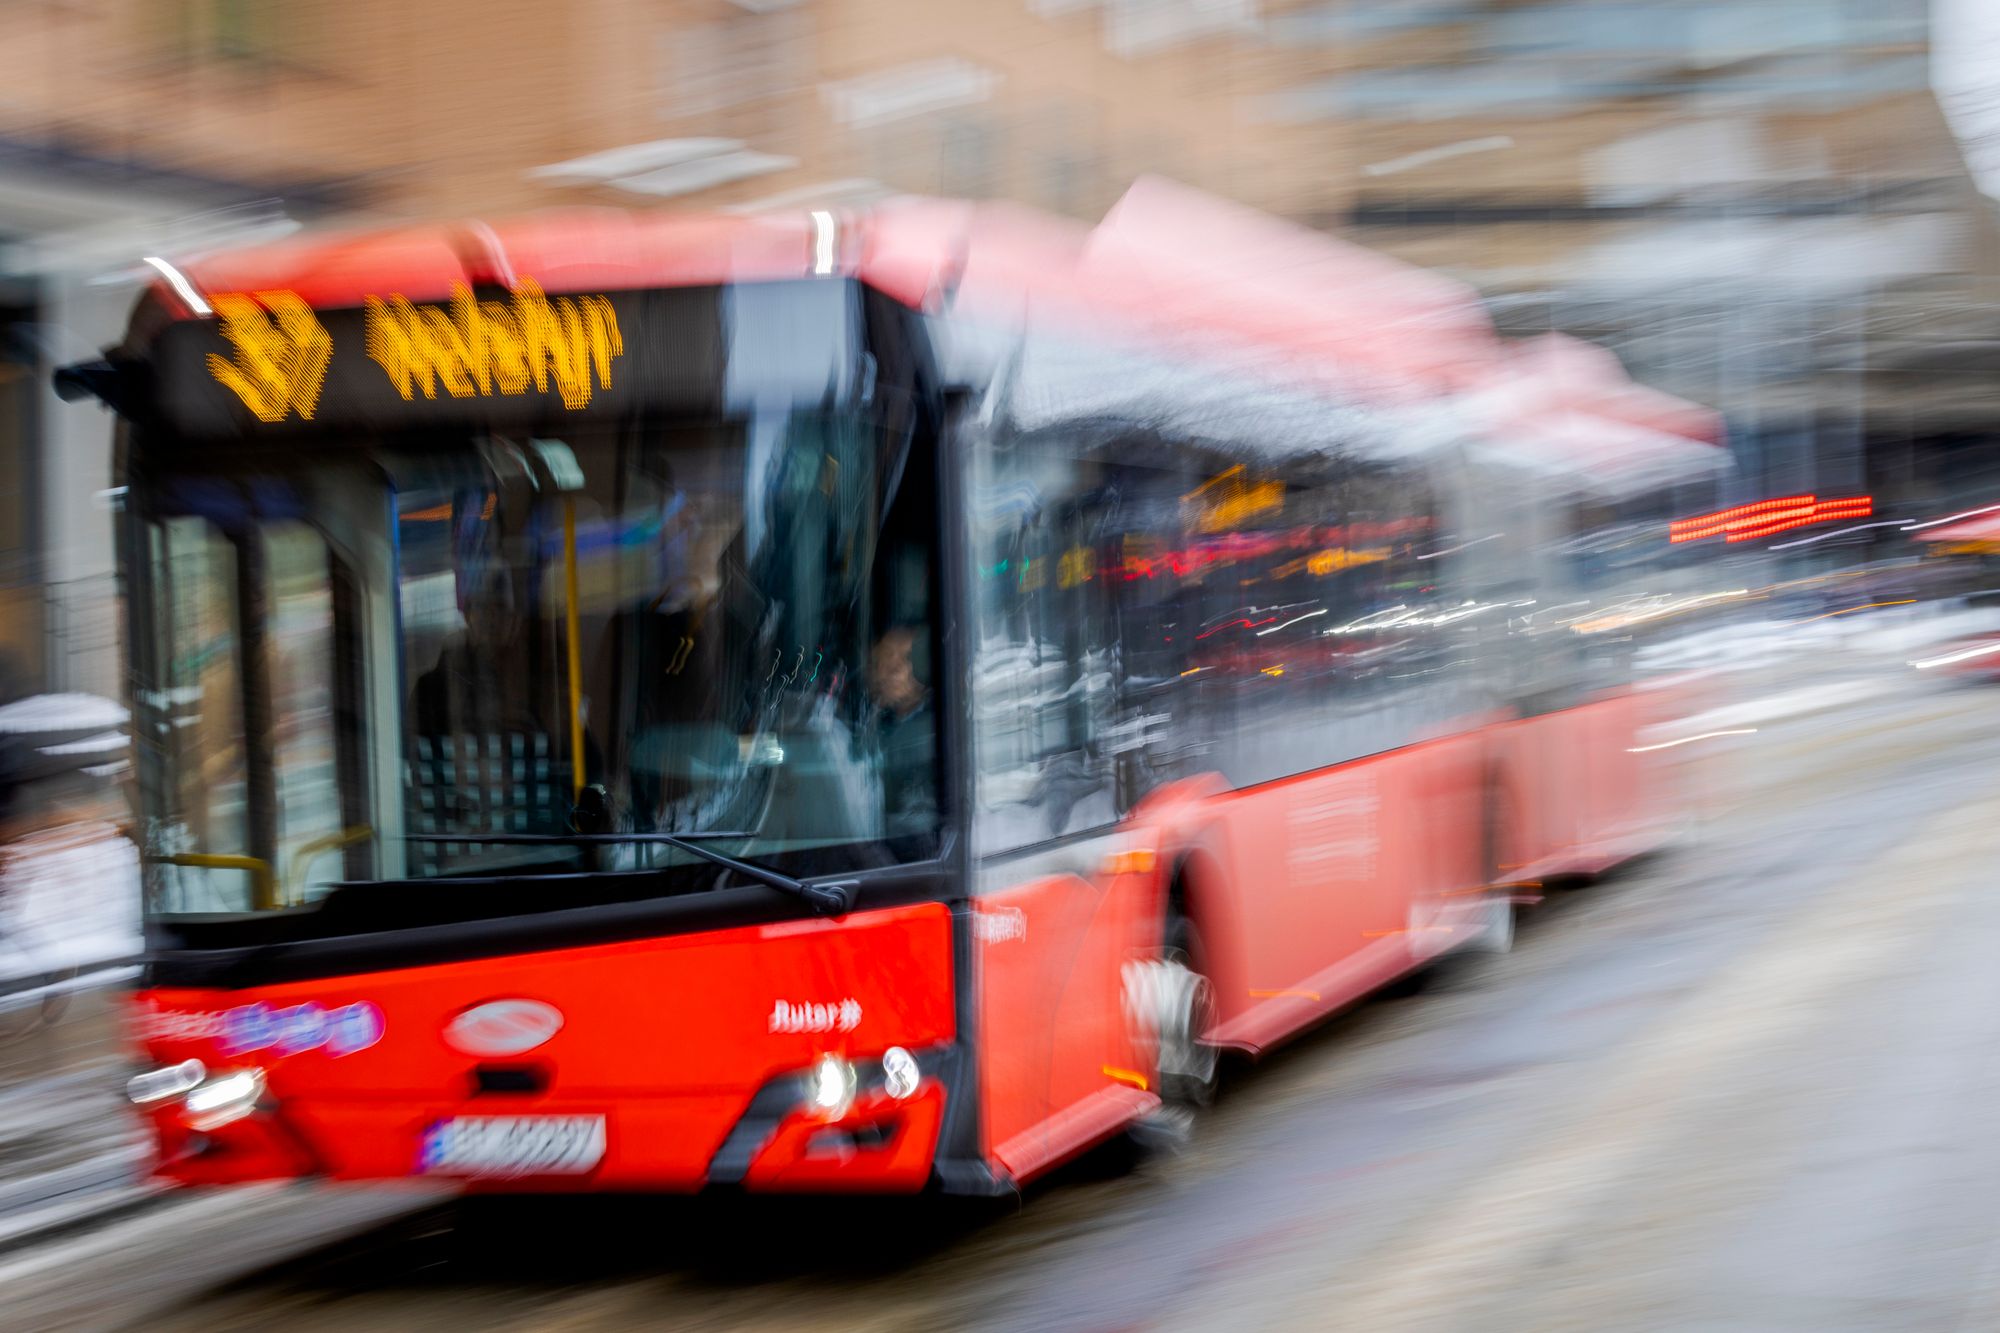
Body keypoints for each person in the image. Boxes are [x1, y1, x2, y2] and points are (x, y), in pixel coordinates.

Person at [868, 625, 937, 838]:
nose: (889, 671)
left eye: (904, 659)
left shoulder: (932, 730)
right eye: (882, 661)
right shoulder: (877, 720)